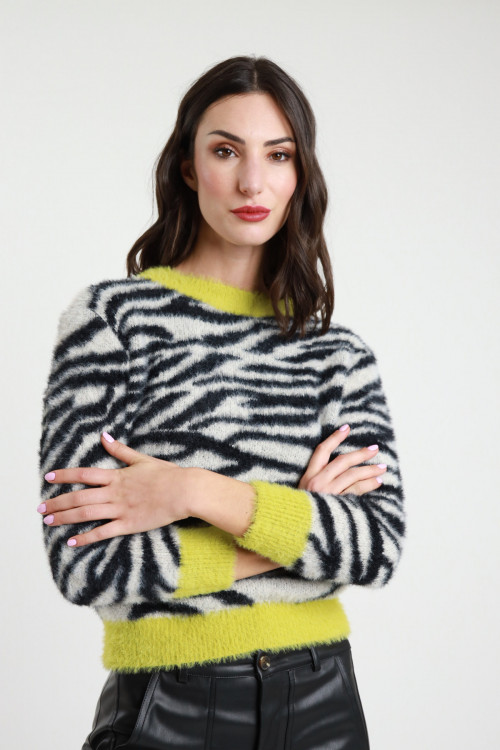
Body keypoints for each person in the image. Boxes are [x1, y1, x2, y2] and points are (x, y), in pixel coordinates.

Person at [38, 55, 405, 750]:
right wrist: (294, 521)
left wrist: (191, 491)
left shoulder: (336, 353)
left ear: (300, 174)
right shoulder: (113, 321)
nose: (252, 182)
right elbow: (85, 566)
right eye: (226, 151)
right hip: (171, 703)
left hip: (324, 701)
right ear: (188, 166)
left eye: (279, 155)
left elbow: (375, 546)